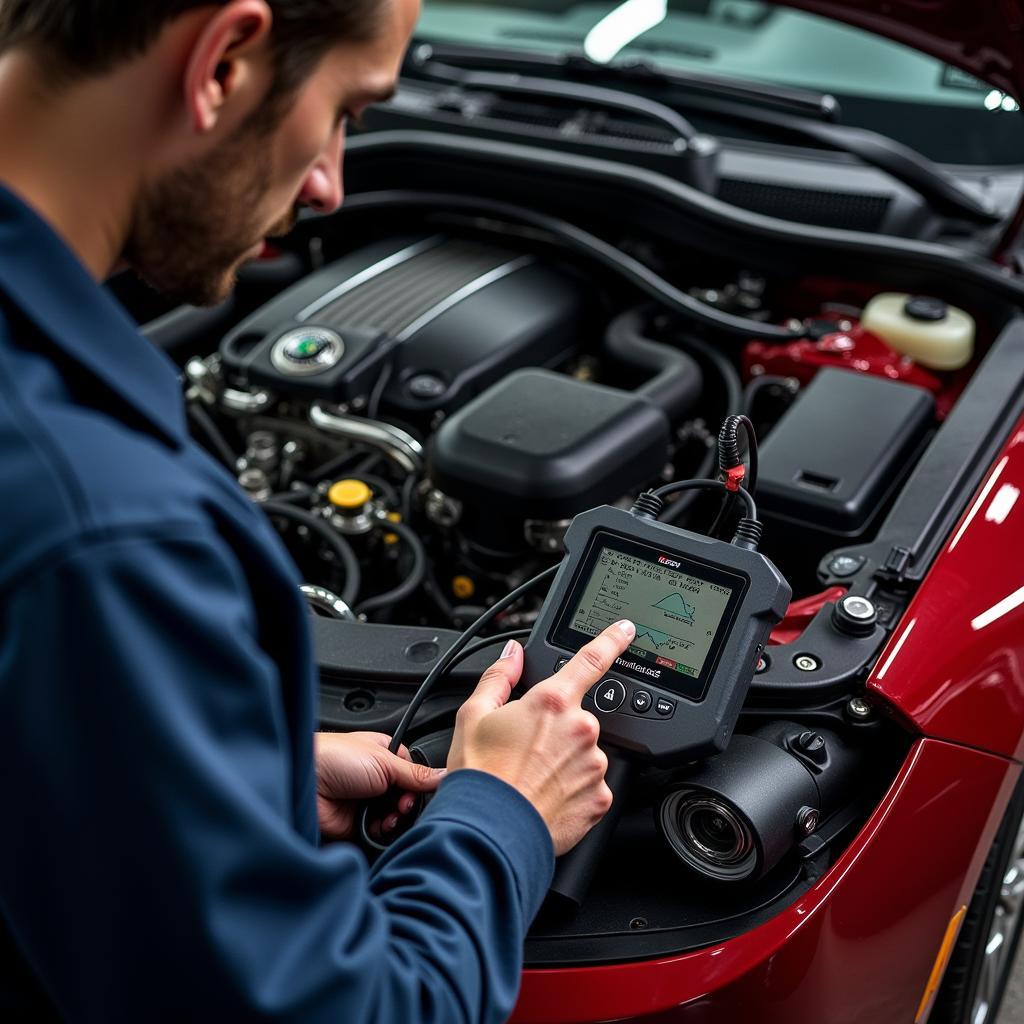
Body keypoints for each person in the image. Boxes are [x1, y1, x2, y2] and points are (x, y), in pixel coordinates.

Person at [0, 1, 636, 1020]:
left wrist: (229, 773)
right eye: (343, 107)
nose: (332, 180)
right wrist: (499, 814)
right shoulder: (108, 531)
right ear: (223, 61)